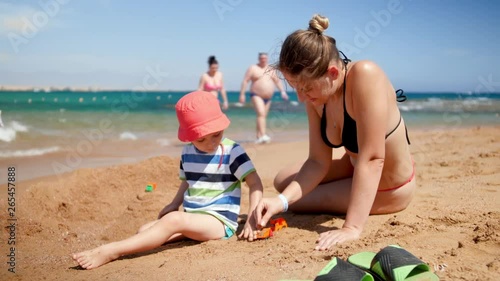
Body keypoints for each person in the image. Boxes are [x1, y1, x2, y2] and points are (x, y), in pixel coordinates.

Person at [254, 14, 415, 251]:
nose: (301, 97)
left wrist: (351, 228)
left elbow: (372, 159)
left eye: (306, 87)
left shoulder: (365, 75)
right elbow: (318, 161)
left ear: (332, 72)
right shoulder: (316, 96)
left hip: (390, 186)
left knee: (300, 202)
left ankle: (352, 201)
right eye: (295, 88)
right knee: (282, 182)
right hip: (354, 166)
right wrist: (280, 202)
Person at [72, 91, 264, 269]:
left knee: (172, 221)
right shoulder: (188, 152)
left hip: (219, 223)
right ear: (189, 136)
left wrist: (252, 219)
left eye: (216, 135)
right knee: (145, 229)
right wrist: (174, 203)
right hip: (194, 217)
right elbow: (188, 181)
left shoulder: (232, 151)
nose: (210, 143)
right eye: (200, 139)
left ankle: (112, 250)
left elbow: (255, 183)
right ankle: (138, 241)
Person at [239, 52, 289, 144]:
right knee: (261, 114)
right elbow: (245, 81)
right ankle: (263, 135)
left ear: (267, 59)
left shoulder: (271, 69)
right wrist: (242, 94)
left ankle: (258, 136)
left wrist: (282, 91)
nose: (263, 60)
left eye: (265, 58)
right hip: (256, 95)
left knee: (262, 116)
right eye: (261, 58)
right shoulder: (253, 68)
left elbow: (277, 81)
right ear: (259, 59)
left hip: (268, 98)